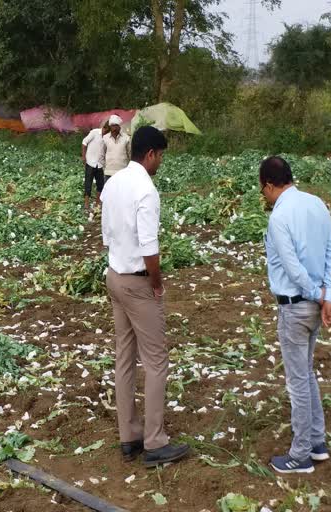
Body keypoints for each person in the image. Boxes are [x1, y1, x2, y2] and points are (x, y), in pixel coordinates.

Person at [100, 126, 190, 467]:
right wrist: (157, 283)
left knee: (124, 356)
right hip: (138, 282)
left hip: (114, 277)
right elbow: (150, 248)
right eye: (161, 155)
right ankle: (154, 442)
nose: (161, 162)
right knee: (156, 361)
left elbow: (107, 237)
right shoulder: (146, 190)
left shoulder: (112, 185)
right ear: (150, 153)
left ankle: (129, 436)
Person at [259, 156, 331, 474]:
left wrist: (317, 294)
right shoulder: (316, 203)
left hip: (295, 306)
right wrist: (327, 295)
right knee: (306, 374)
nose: (263, 196)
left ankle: (301, 455)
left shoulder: (279, 217)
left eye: (262, 189)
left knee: (297, 380)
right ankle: (317, 443)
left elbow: (292, 267)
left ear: (269, 185)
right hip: (314, 303)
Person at [81, 120, 109, 210]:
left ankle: (97, 202)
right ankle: (86, 203)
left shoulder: (107, 137)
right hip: (90, 162)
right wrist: (84, 156)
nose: (106, 134)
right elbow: (84, 142)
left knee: (100, 184)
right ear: (104, 128)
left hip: (100, 164)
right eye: (106, 131)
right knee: (88, 183)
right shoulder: (94, 132)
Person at [100, 114, 131, 183]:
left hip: (123, 172)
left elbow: (130, 154)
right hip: (108, 173)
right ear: (110, 126)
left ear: (119, 126)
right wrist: (105, 168)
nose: (114, 128)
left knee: (123, 192)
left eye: (116, 125)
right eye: (112, 126)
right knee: (109, 193)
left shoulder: (126, 138)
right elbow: (102, 154)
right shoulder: (105, 138)